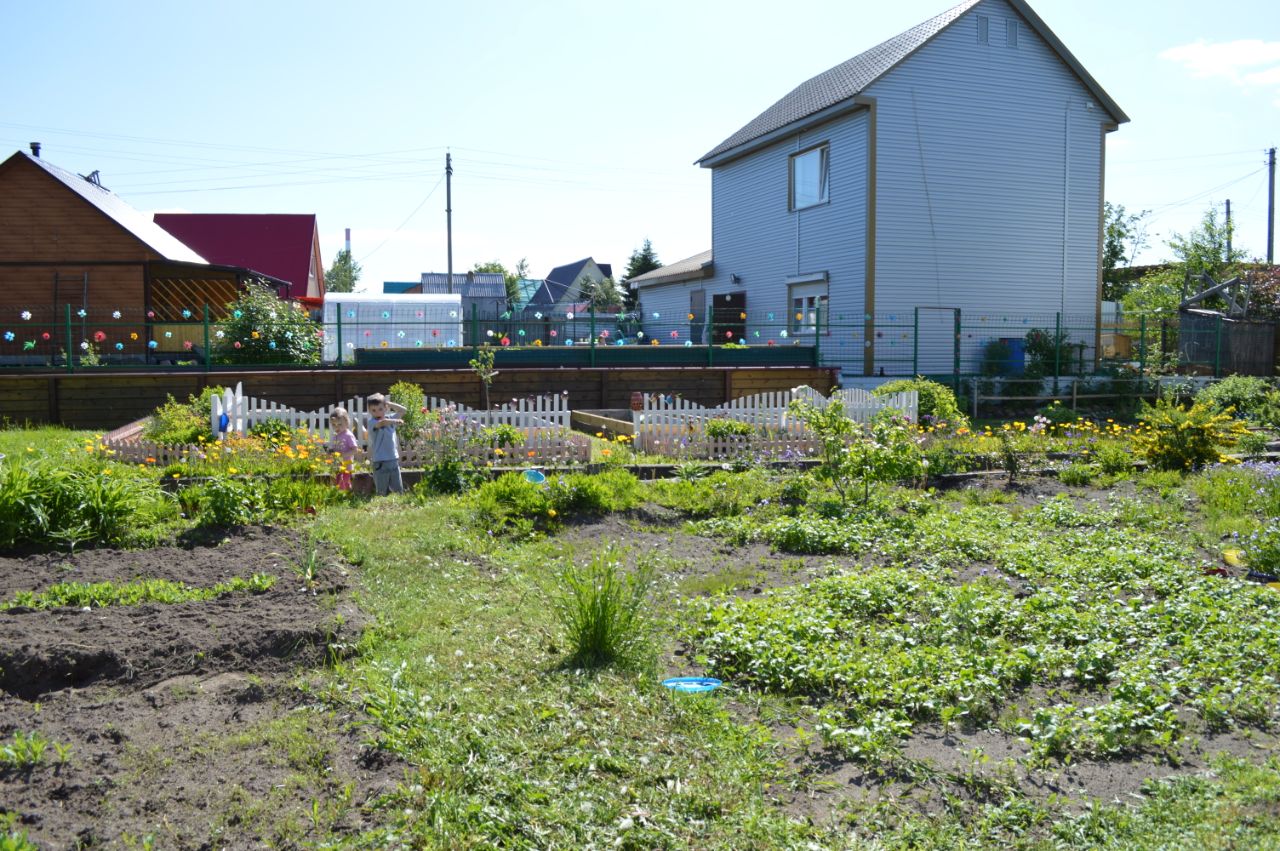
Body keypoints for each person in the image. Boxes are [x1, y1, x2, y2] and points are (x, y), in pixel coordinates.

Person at [365, 392, 406, 495]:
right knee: (382, 490)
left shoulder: (391, 418)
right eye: (373, 410)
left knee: (398, 490)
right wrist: (395, 421)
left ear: (385, 408)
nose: (377, 413)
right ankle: (381, 504)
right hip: (380, 461)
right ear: (370, 411)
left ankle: (398, 502)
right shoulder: (372, 422)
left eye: (380, 409)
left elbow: (403, 410)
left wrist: (389, 403)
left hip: (393, 458)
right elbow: (382, 423)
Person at [325, 407, 359, 491]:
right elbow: (335, 448)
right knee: (337, 482)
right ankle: (341, 495)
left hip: (346, 466)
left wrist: (343, 455)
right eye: (334, 425)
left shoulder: (348, 435)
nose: (337, 427)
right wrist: (330, 452)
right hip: (337, 465)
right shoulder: (336, 435)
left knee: (344, 484)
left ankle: (345, 498)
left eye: (340, 424)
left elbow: (355, 450)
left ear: (347, 423)